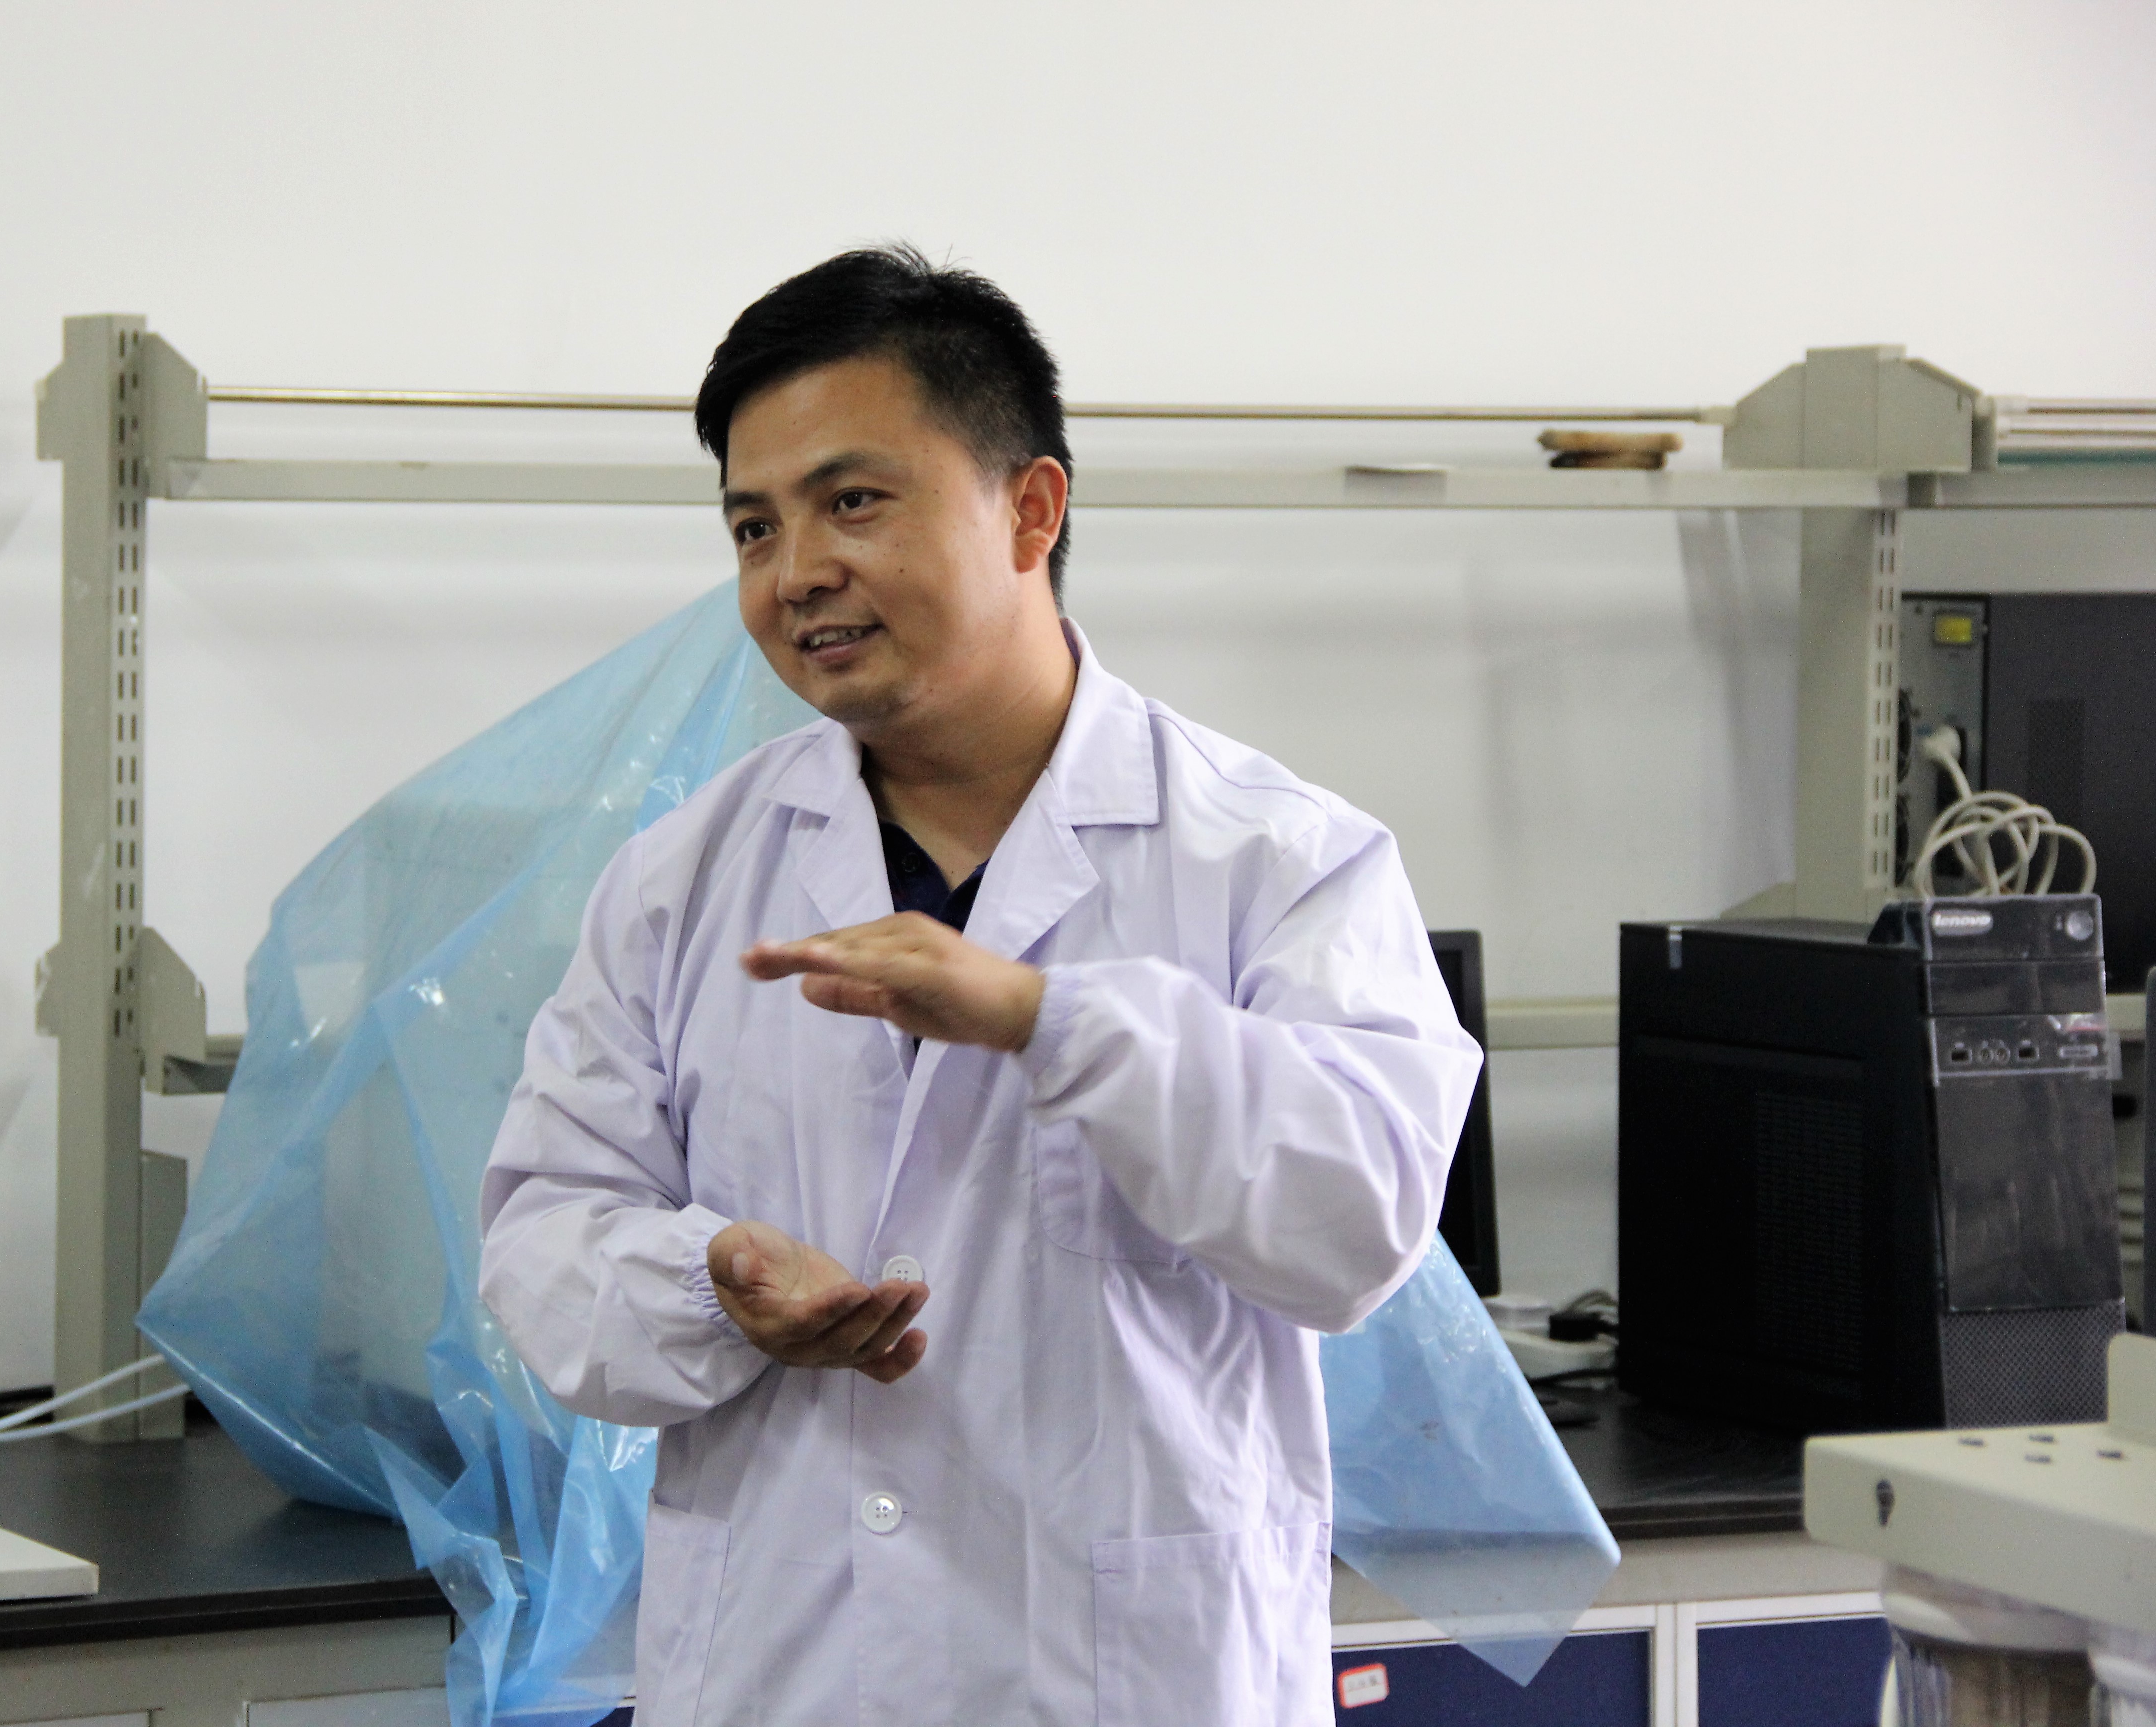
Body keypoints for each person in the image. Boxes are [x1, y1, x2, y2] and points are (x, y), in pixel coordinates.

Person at [478, 246, 1480, 1727]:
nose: (796, 571)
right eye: (754, 526)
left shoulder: (1278, 858)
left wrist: (1048, 1019)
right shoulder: (683, 881)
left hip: (1126, 1688)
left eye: (852, 501)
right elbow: (545, 1238)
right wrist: (712, 1282)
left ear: (1031, 509)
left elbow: (1357, 1225)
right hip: (784, 1678)